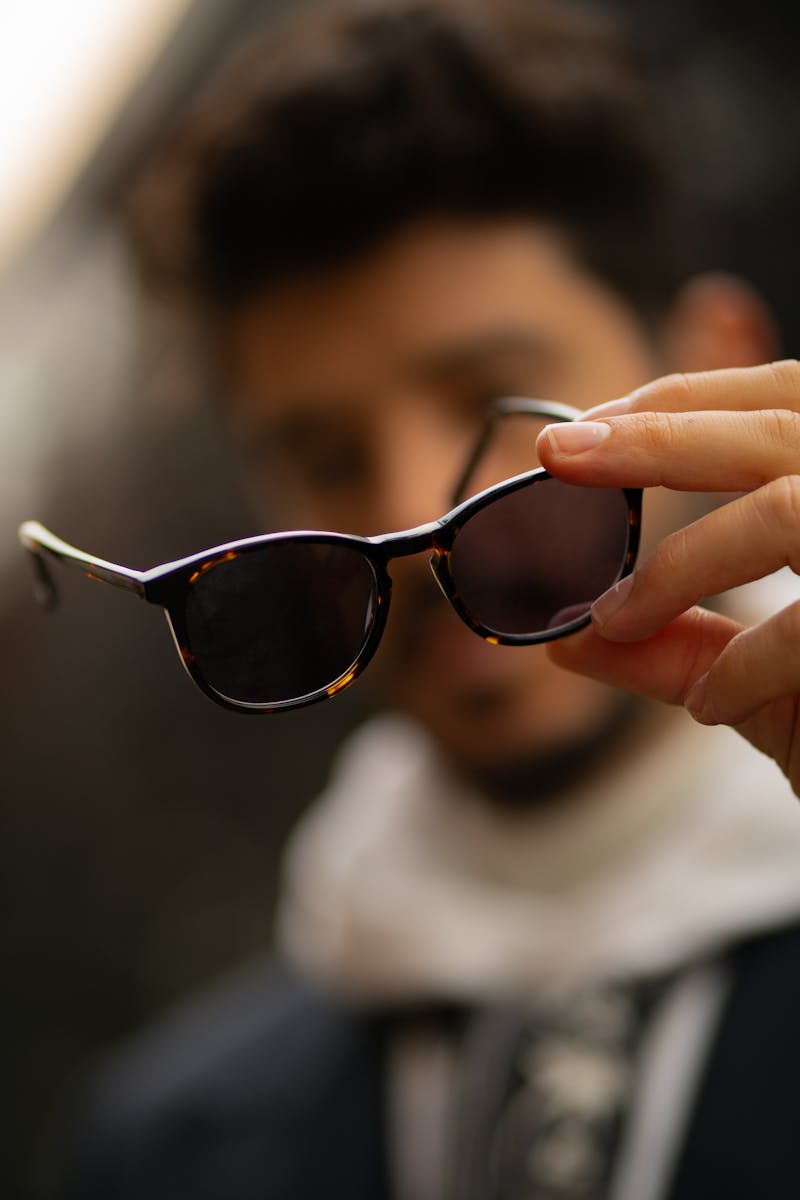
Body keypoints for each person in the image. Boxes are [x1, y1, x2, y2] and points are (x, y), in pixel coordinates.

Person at [52, 2, 800, 1197]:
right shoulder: (164, 1145)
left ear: (708, 366)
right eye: (325, 455)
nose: (406, 523)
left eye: (492, 400)